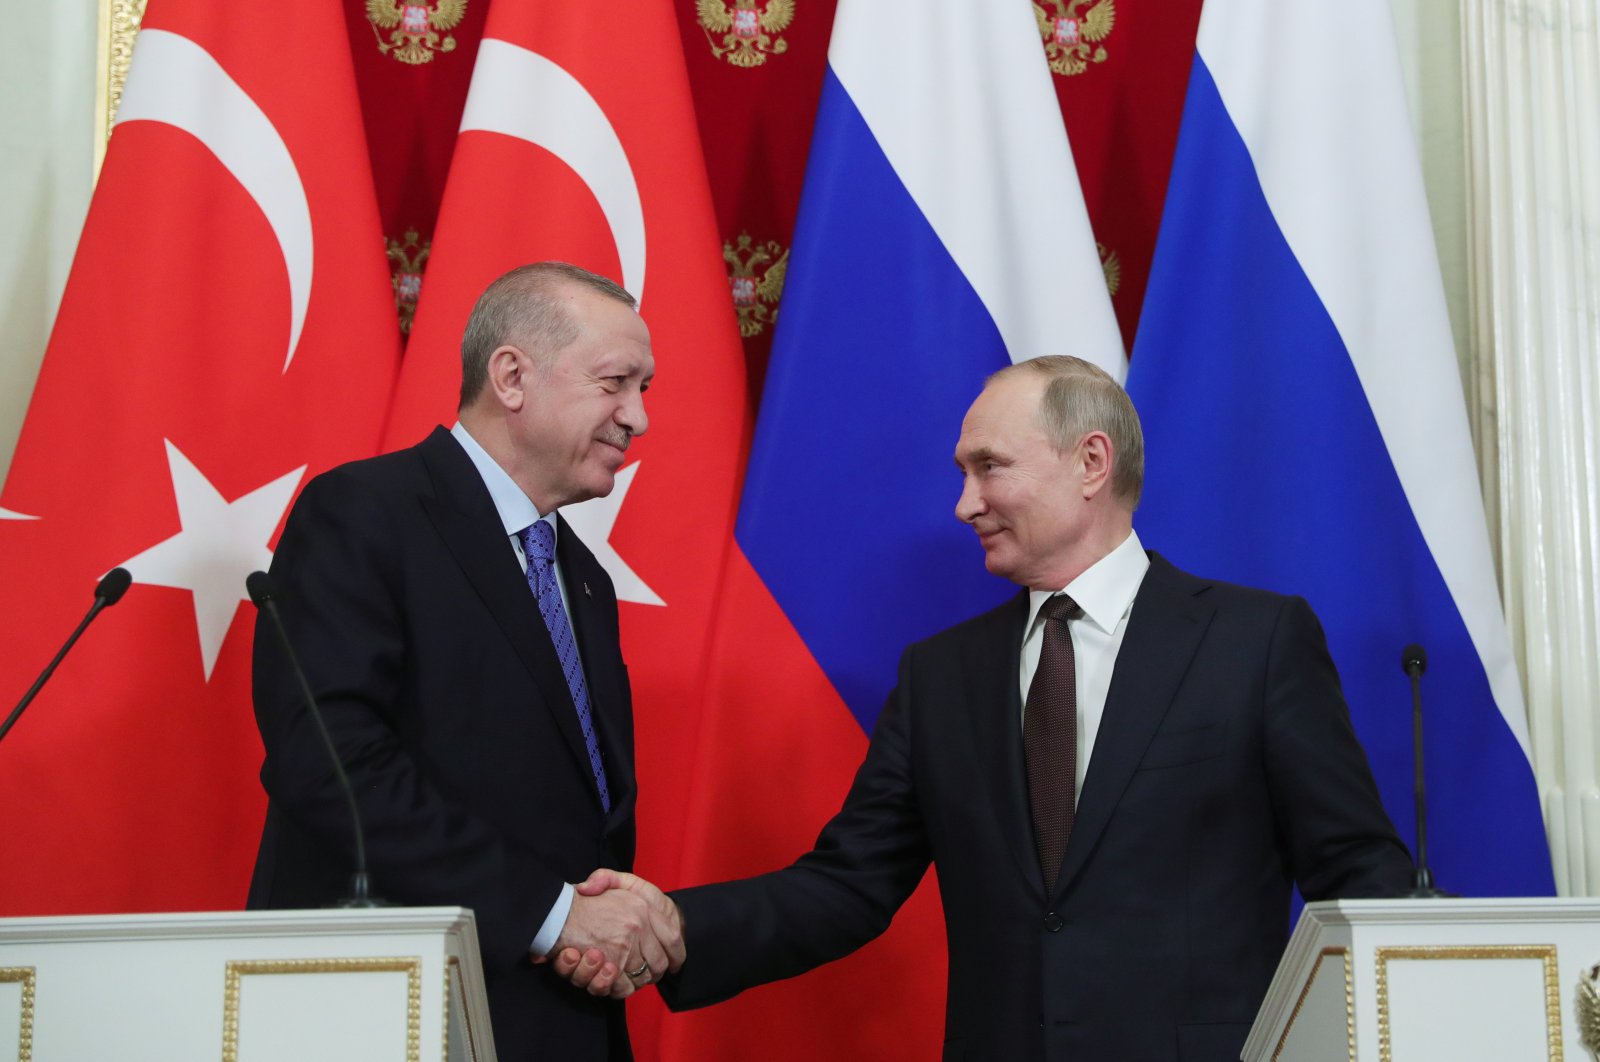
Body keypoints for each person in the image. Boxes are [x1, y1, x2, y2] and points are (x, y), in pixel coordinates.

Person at [561, 356, 1412, 1060]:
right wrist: (675, 924)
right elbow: (849, 885)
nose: (964, 503)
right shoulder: (943, 676)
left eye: (989, 467)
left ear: (1090, 463)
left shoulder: (1253, 642)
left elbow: (1356, 876)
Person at [248, 262, 683, 1062]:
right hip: (387, 1007)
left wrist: (592, 923)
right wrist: (549, 915)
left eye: (644, 389)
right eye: (618, 383)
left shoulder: (580, 576)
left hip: (555, 1018)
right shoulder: (364, 513)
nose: (640, 418)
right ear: (511, 377)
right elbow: (333, 764)